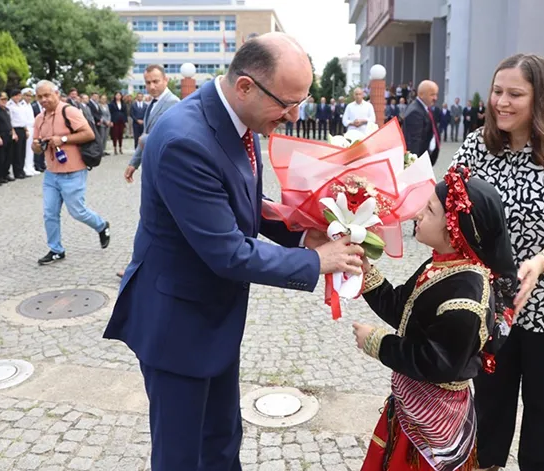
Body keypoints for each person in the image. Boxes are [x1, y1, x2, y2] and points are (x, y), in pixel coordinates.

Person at [102, 32, 364, 470]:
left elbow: (245, 201)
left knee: (222, 440)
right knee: (182, 455)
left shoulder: (240, 122)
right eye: (287, 102)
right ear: (245, 86)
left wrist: (303, 234)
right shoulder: (185, 139)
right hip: (177, 325)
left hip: (213, 320)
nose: (295, 114)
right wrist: (316, 261)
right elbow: (228, 251)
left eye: (301, 101)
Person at [451, 53, 544, 471]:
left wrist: (540, 261)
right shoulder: (478, 143)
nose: (502, 101)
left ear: (541, 98)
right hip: (493, 304)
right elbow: (445, 200)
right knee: (490, 402)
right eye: (498, 91)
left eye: (515, 94)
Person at [355, 166, 517, 471]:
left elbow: (439, 362)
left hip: (434, 420)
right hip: (412, 403)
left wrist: (378, 343)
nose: (417, 213)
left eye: (429, 210)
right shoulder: (442, 264)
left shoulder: (467, 296)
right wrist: (366, 274)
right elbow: (401, 308)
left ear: (455, 228)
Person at [31, 81, 111, 265]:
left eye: (47, 95)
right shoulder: (39, 118)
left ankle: (101, 225)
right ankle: (56, 249)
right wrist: (36, 145)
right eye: (40, 97)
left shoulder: (69, 111)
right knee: (49, 213)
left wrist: (63, 139)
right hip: (51, 173)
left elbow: (89, 134)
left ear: (56, 94)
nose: (43, 100)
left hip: (73, 171)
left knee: (77, 212)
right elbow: (36, 148)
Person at [124, 65, 181, 185]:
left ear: (166, 80)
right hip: (151, 166)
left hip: (165, 168)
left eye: (156, 81)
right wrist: (134, 163)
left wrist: (145, 139)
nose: (152, 86)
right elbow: (146, 132)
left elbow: (173, 137)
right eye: (148, 83)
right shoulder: (152, 103)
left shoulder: (173, 102)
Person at [401, 80, 441, 166]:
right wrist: (415, 166)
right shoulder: (415, 112)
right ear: (421, 94)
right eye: (432, 94)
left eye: (436, 94)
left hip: (425, 159)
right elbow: (414, 142)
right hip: (418, 162)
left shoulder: (424, 108)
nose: (435, 98)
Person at [0, 92, 17, 184]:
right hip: (1, 136)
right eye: (2, 99)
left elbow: (9, 123)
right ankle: (0, 176)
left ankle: (6, 173)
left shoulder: (6, 110)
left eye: (5, 99)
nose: (4, 101)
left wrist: (13, 132)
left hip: (9, 135)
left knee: (9, 156)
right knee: (1, 157)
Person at [6, 89, 30, 179]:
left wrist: (26, 130)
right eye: (16, 96)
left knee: (22, 151)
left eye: (19, 96)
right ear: (12, 96)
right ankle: (17, 172)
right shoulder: (10, 105)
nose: (18, 98)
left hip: (22, 128)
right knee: (17, 152)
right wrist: (13, 133)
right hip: (15, 129)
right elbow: (10, 120)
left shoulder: (21, 105)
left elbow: (23, 119)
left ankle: (21, 169)